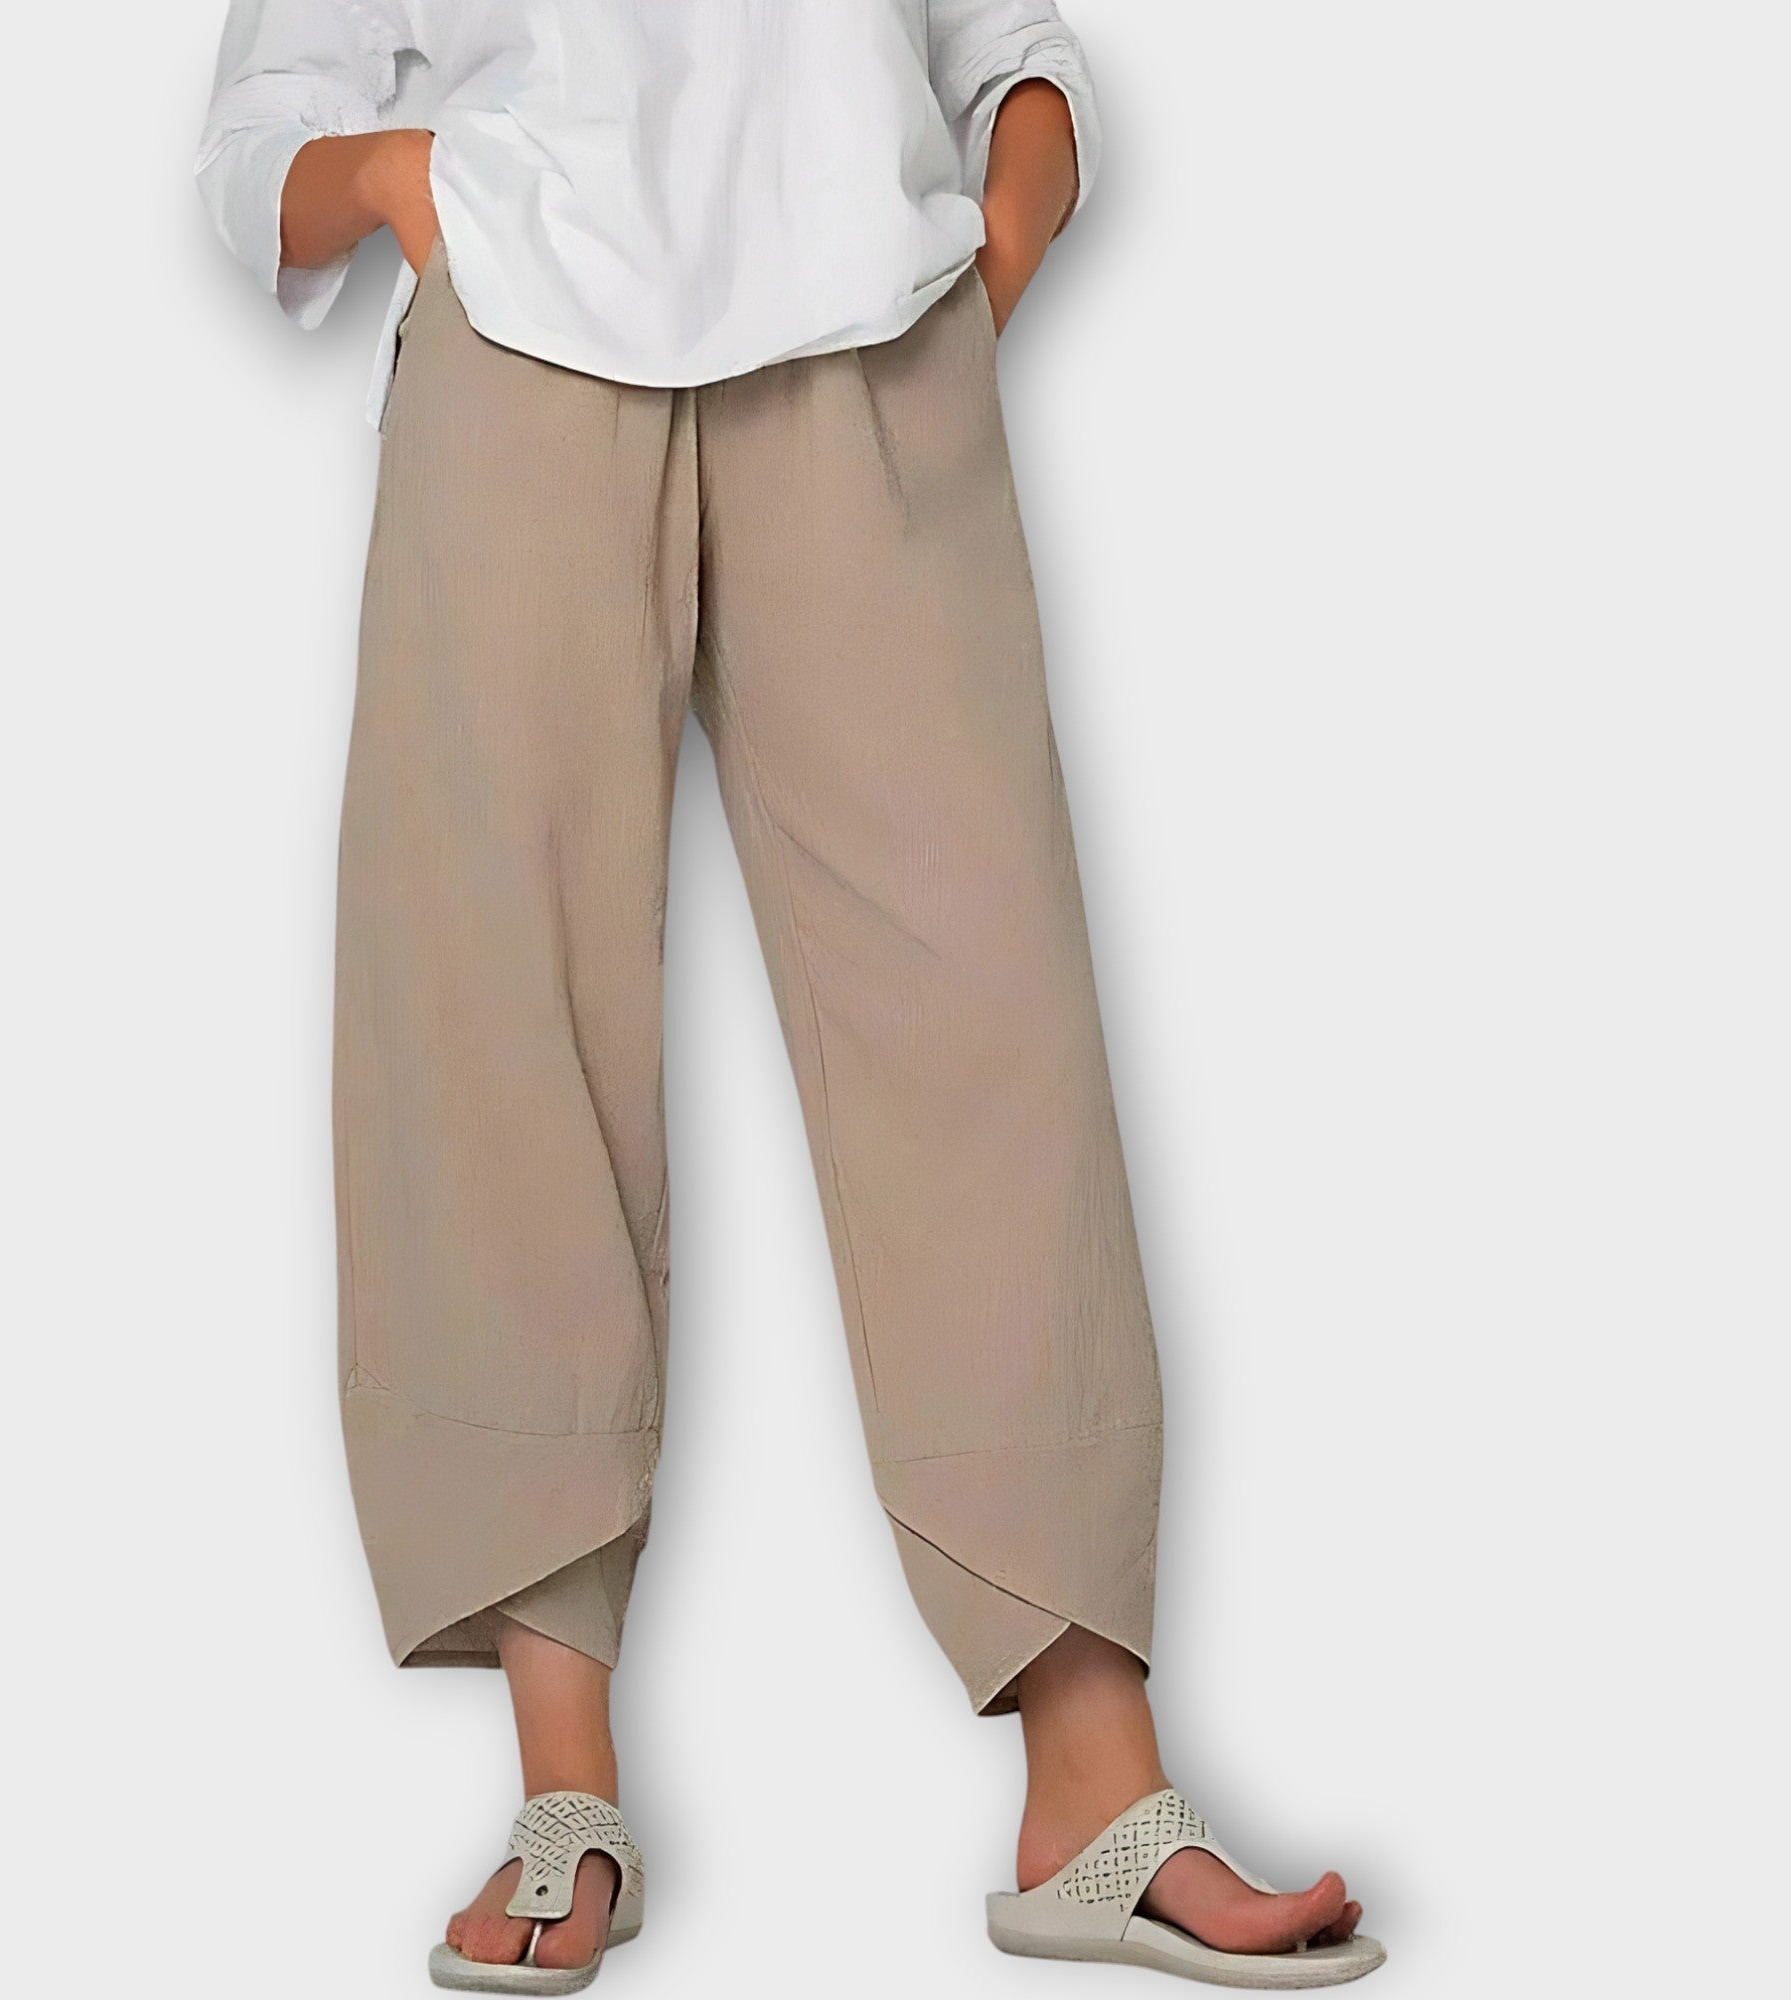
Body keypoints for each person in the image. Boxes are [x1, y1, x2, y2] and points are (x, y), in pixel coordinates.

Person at [195, 4, 1382, 1990]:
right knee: (498, 1033)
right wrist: (407, 181)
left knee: (988, 1013)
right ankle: (564, 1787)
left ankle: (1092, 1785)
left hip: (872, 348)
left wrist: (999, 233)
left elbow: (1007, 42)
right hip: (525, 354)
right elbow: (260, 140)